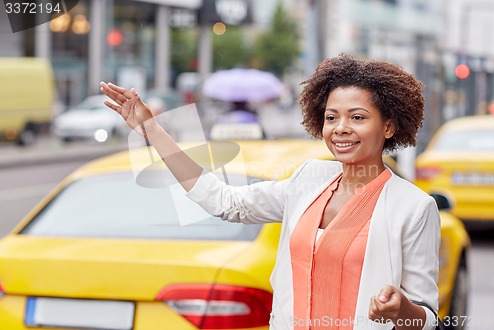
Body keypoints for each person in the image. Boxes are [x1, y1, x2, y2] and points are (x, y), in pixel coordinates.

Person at [100, 54, 440, 330]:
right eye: (331, 117)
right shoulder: (310, 178)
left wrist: (399, 311)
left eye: (358, 117)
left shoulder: (413, 207)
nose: (341, 128)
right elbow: (225, 201)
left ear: (389, 126)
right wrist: (152, 130)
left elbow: (426, 318)